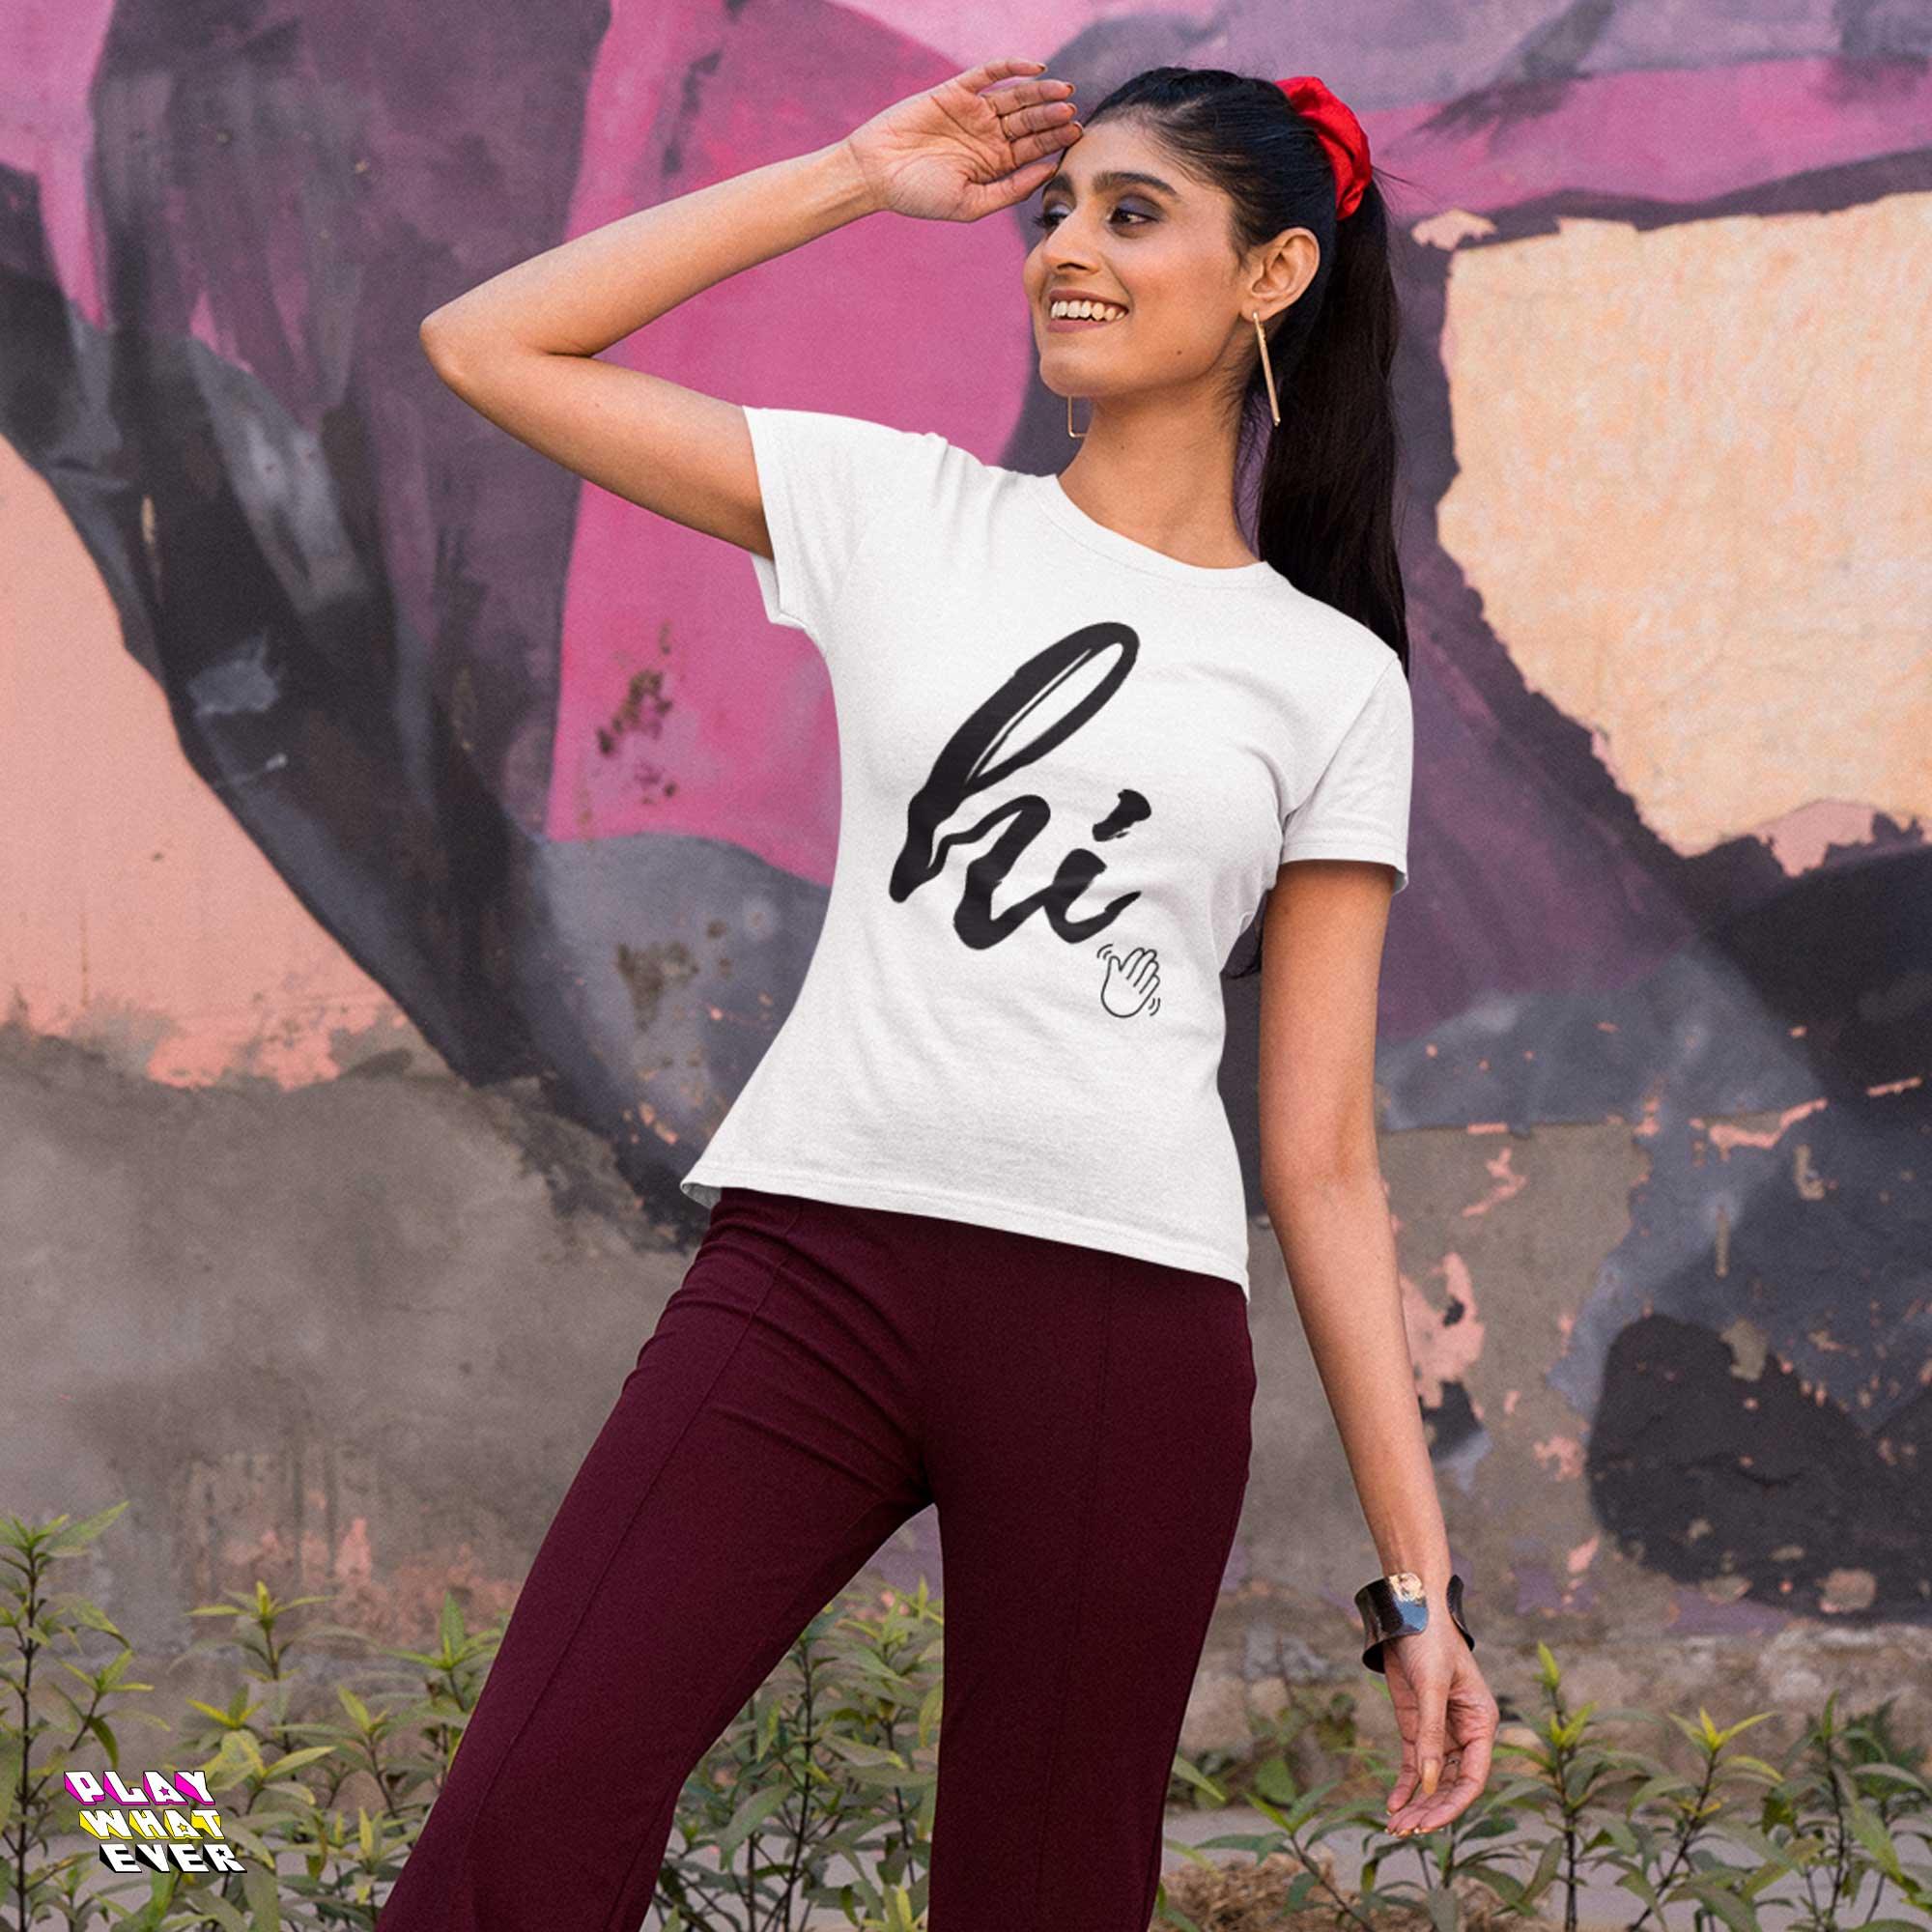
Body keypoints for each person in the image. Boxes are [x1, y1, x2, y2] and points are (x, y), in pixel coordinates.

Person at [387, 56, 1501, 1932]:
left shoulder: (1332, 683)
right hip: (811, 1269)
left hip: (1123, 1333)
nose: (1066, 248)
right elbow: (487, 344)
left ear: (1273, 274)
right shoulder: (903, 513)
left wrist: (1416, 1588)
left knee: (1042, 1894)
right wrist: (847, 174)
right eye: (1057, 211)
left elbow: (1318, 1157)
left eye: (1131, 214)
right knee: (528, 1808)